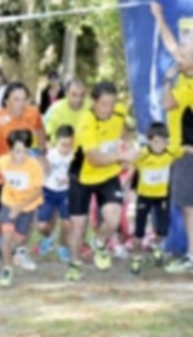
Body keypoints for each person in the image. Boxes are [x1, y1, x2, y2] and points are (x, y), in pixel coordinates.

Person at [65, 82, 138, 281]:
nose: (109, 108)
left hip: (108, 174)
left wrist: (128, 144)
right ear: (94, 102)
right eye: (104, 104)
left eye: (112, 103)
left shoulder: (119, 112)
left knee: (114, 218)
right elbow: (95, 159)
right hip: (82, 176)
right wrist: (122, 157)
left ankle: (99, 242)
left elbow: (123, 130)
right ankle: (75, 263)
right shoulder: (86, 123)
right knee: (78, 225)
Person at [0, 82, 45, 270]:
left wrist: (40, 151)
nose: (21, 104)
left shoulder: (32, 113)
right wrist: (9, 168)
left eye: (24, 99)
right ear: (6, 101)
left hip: (23, 177)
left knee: (27, 212)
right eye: (16, 99)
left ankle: (20, 251)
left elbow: (40, 129)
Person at [152, 2, 193, 272]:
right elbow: (167, 105)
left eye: (185, 53)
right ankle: (192, 255)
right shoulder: (179, 82)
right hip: (182, 155)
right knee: (188, 207)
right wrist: (159, 17)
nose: (178, 56)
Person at [0, 130, 44, 287]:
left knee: (19, 238)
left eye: (25, 151)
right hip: (8, 202)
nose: (21, 155)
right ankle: (7, 268)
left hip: (27, 205)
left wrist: (20, 206)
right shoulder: (3, 161)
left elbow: (37, 190)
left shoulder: (34, 166)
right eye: (17, 151)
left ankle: (10, 248)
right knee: (7, 235)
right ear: (9, 150)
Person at [131, 123, 179, 275]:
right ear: (149, 141)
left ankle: (156, 245)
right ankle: (136, 258)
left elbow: (184, 149)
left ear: (167, 142)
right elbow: (130, 164)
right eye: (155, 142)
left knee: (163, 230)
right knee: (139, 230)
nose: (159, 145)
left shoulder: (171, 153)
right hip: (144, 196)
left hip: (162, 196)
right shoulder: (142, 155)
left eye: (162, 141)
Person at [35, 125, 75, 263]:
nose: (66, 148)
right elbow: (40, 170)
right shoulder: (50, 155)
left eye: (69, 145)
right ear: (57, 141)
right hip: (48, 191)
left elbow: (79, 175)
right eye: (63, 145)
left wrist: (70, 179)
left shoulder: (75, 157)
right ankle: (49, 238)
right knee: (41, 225)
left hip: (66, 193)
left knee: (66, 223)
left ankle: (63, 247)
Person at [44, 79, 89, 143]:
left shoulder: (92, 107)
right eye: (74, 95)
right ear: (66, 94)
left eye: (82, 95)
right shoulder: (55, 109)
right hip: (59, 149)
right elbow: (45, 136)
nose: (78, 99)